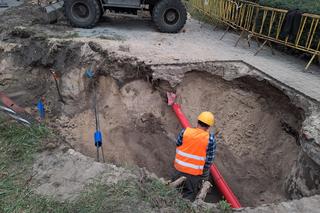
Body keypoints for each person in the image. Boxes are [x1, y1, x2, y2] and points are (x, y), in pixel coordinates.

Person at [173, 111, 216, 201]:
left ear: (198, 121)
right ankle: (201, 186)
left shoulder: (185, 132)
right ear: (209, 126)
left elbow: (178, 144)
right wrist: (203, 174)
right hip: (193, 175)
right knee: (189, 196)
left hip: (178, 169)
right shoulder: (210, 139)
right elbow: (209, 161)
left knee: (173, 191)